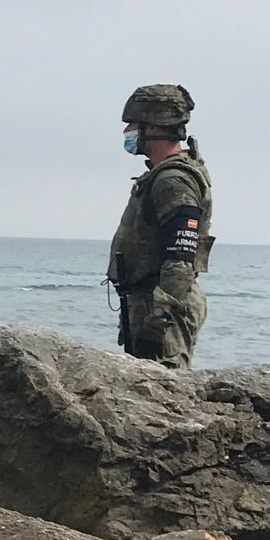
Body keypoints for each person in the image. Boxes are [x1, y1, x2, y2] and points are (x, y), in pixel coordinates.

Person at [107, 84, 213, 368]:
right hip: (149, 301)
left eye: (133, 124)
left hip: (163, 306)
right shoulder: (161, 175)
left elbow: (181, 253)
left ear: (154, 127)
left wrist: (160, 316)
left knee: (165, 387)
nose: (127, 131)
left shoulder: (172, 180)